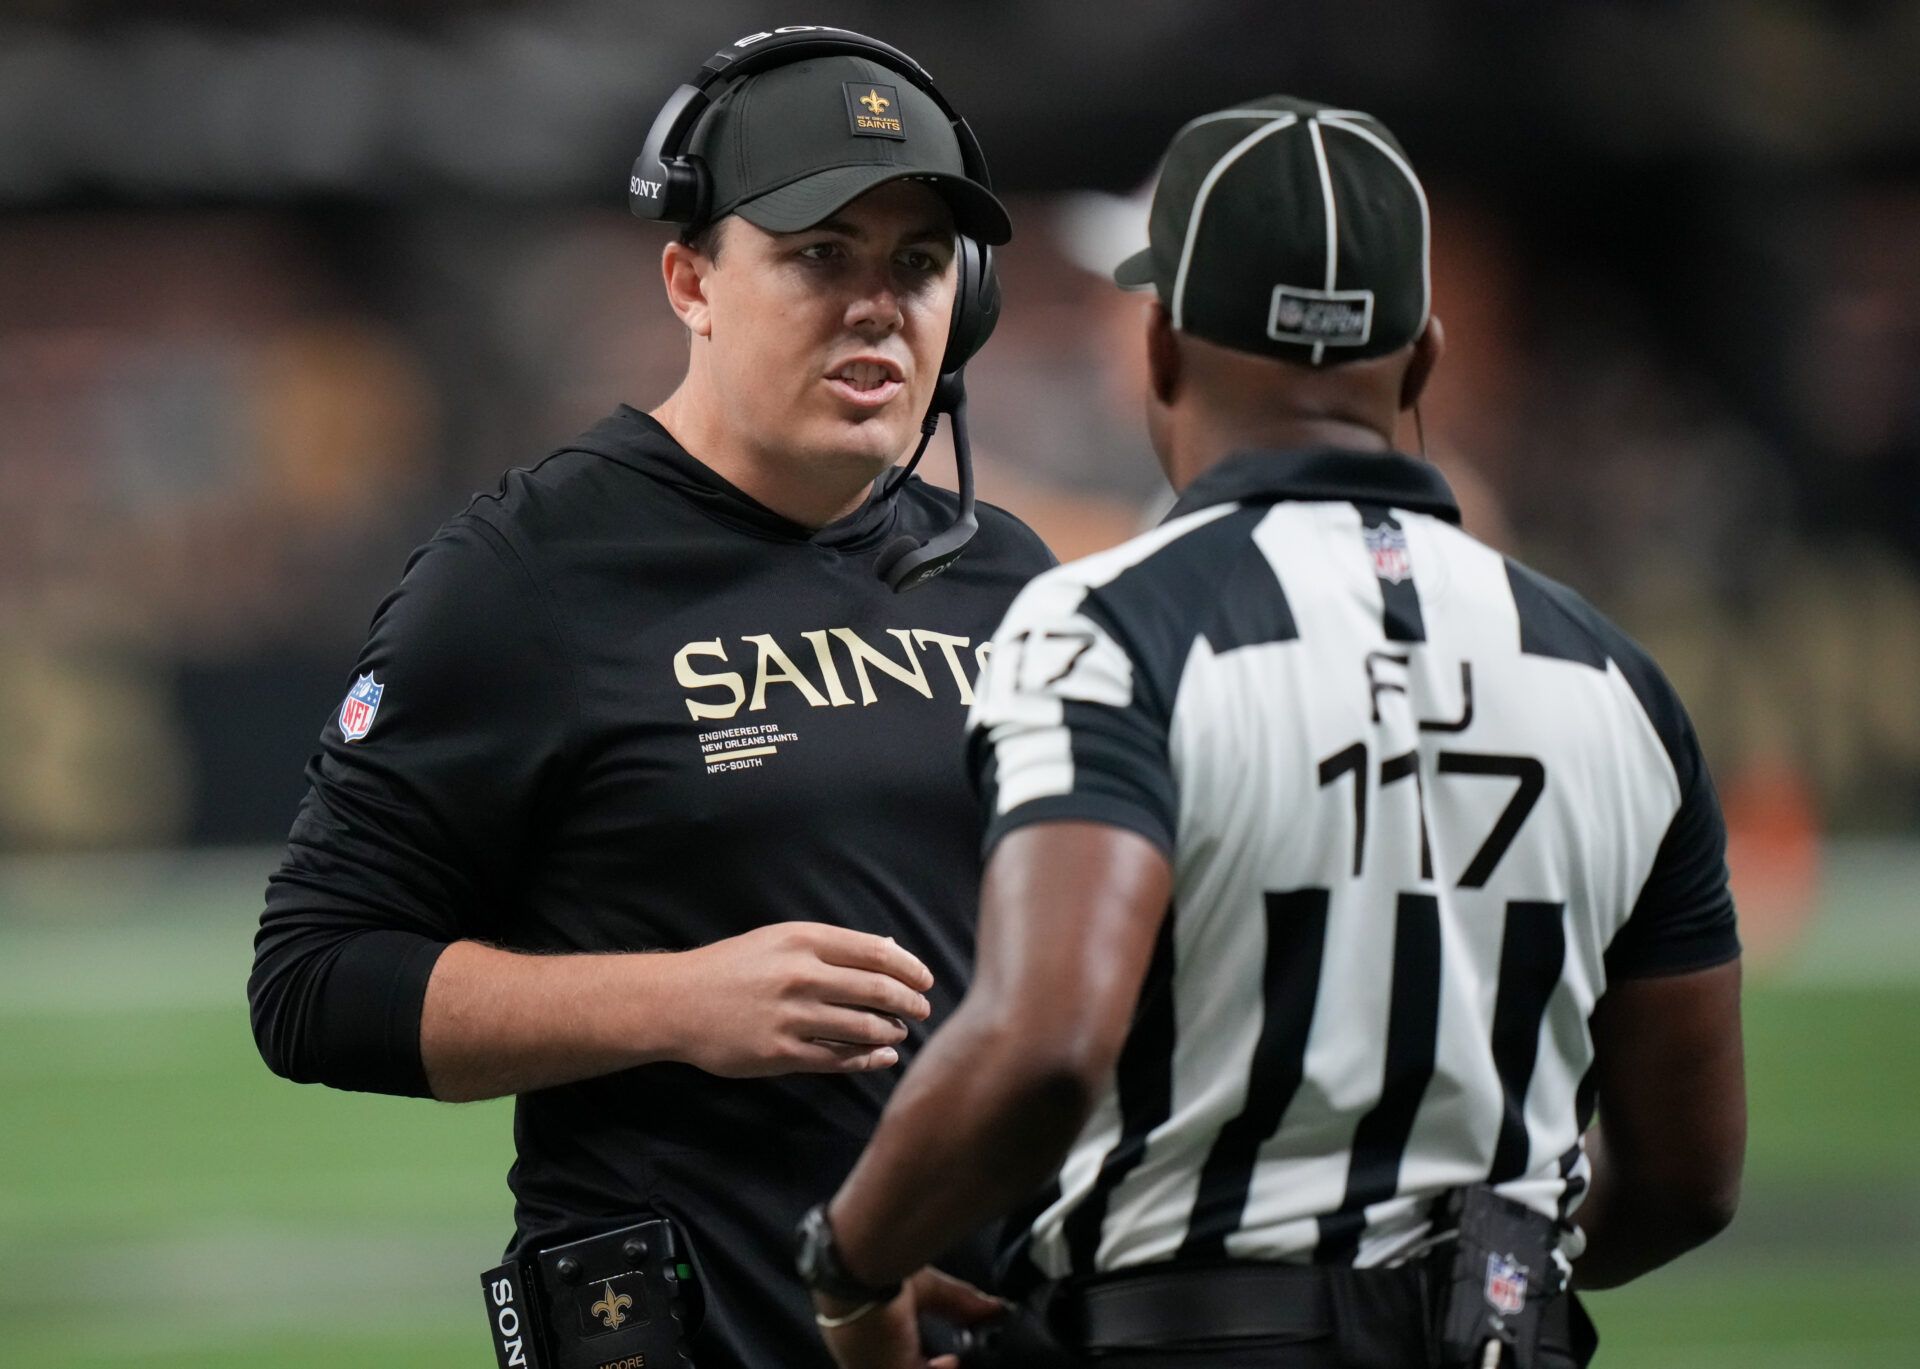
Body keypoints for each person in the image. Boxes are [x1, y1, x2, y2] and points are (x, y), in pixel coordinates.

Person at [800, 96, 1745, 1369]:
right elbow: (1690, 1177)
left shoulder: (1102, 623)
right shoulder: (1611, 676)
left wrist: (850, 1264)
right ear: (1421, 362)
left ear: (1164, 345)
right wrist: (1489, 1293)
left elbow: (1043, 1046)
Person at [247, 27, 1052, 1369]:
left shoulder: (1008, 579)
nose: (877, 305)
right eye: (818, 255)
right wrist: (680, 1001)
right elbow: (316, 983)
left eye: (917, 264)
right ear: (690, 279)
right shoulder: (528, 575)